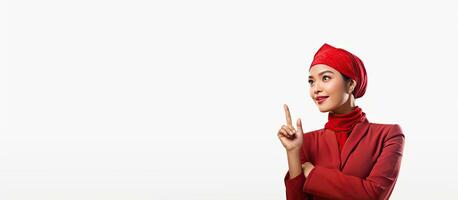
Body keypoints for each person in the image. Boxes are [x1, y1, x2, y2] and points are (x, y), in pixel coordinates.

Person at [277, 43, 405, 200]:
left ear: (351, 84)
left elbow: (374, 195)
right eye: (311, 81)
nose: (315, 88)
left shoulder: (388, 135)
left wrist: (312, 173)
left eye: (325, 78)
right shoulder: (305, 141)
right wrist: (292, 152)